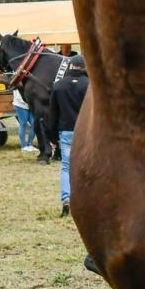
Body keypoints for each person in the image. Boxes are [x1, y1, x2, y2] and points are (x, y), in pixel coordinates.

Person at [52, 63, 88, 218]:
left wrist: (52, 136)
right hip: (86, 130)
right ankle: (86, 201)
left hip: (65, 130)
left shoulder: (58, 86)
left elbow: (52, 112)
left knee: (67, 166)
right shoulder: (89, 85)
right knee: (87, 167)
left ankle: (66, 198)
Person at [12, 87, 37, 153]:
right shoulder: (18, 82)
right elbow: (19, 97)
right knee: (23, 124)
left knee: (34, 124)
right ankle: (23, 146)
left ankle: (30, 144)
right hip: (20, 105)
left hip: (30, 105)